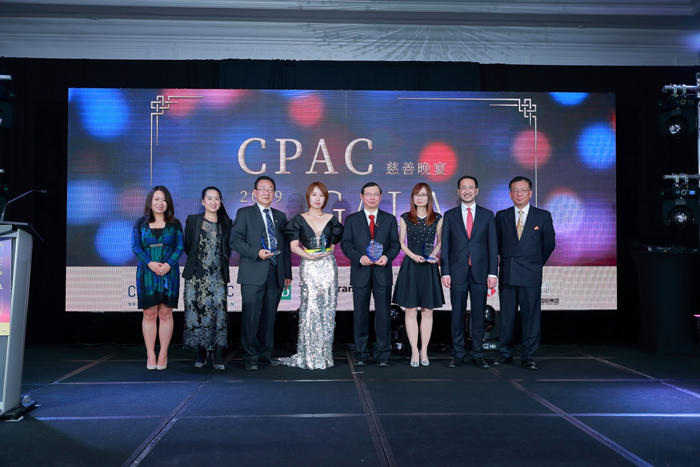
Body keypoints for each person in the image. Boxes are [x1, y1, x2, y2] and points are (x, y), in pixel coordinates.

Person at [230, 176, 292, 371]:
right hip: (252, 272)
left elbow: (285, 247)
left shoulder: (280, 216)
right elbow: (235, 241)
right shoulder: (245, 213)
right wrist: (256, 252)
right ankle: (250, 356)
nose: (267, 193)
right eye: (263, 189)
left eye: (270, 189)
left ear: (275, 194)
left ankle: (266, 352)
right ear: (254, 193)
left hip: (275, 273)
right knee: (251, 317)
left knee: (270, 317)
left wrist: (287, 273)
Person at [494, 176, 555, 370]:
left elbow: (549, 244)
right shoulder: (501, 216)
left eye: (523, 190)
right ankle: (505, 353)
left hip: (531, 273)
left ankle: (529, 356)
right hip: (508, 272)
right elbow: (497, 244)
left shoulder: (542, 216)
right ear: (510, 194)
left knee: (530, 317)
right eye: (515, 190)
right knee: (507, 317)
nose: (519, 194)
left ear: (530, 193)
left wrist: (535, 263)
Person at [281, 182, 343, 369]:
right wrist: (309, 257)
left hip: (328, 266)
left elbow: (332, 246)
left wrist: (325, 255)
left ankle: (324, 355)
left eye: (321, 195)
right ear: (308, 196)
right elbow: (294, 247)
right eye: (314, 195)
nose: (317, 199)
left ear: (325, 198)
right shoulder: (298, 220)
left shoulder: (332, 220)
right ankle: (308, 356)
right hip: (309, 266)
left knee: (327, 310)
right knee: (311, 309)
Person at [340, 182, 400, 367]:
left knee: (383, 315)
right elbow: (346, 244)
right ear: (361, 196)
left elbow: (395, 245)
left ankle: (383, 354)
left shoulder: (389, 219)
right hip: (361, 272)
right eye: (368, 194)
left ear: (380, 196)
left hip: (382, 272)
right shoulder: (352, 219)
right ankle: (361, 353)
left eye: (375, 194)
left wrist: (386, 257)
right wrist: (359, 258)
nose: (372, 197)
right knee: (360, 315)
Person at [441, 176, 498, 369]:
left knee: (478, 315)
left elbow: (492, 246)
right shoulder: (450, 215)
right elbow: (446, 246)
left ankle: (478, 354)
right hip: (457, 272)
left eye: (470, 187)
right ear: (458, 191)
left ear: (477, 190)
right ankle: (458, 354)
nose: (467, 191)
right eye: (463, 188)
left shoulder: (487, 215)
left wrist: (493, 273)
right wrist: (445, 272)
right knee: (457, 315)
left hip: (480, 272)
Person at [132, 185, 184, 371]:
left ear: (168, 203)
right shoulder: (141, 223)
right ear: (150, 201)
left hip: (169, 273)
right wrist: (150, 263)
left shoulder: (175, 224)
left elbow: (180, 246)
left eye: (164, 200)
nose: (160, 203)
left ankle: (163, 353)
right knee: (149, 314)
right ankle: (150, 354)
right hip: (147, 273)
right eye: (157, 199)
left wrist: (168, 264)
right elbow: (136, 246)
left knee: (165, 313)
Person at [392, 183, 444, 367]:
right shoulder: (406, 217)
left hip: (429, 267)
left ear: (429, 197)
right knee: (411, 310)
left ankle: (424, 351)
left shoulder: (437, 218)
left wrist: (433, 254)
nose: (419, 198)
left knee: (427, 311)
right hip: (411, 266)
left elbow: (440, 241)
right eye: (416, 194)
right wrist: (413, 256)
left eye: (423, 195)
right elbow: (401, 242)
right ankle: (414, 350)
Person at [182, 187, 233, 371]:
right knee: (199, 313)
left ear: (220, 202)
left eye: (216, 199)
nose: (213, 202)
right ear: (203, 202)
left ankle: (217, 353)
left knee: (219, 313)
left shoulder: (227, 223)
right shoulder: (193, 220)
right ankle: (202, 352)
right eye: (209, 199)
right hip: (196, 277)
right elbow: (188, 246)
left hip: (217, 276)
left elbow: (228, 249)